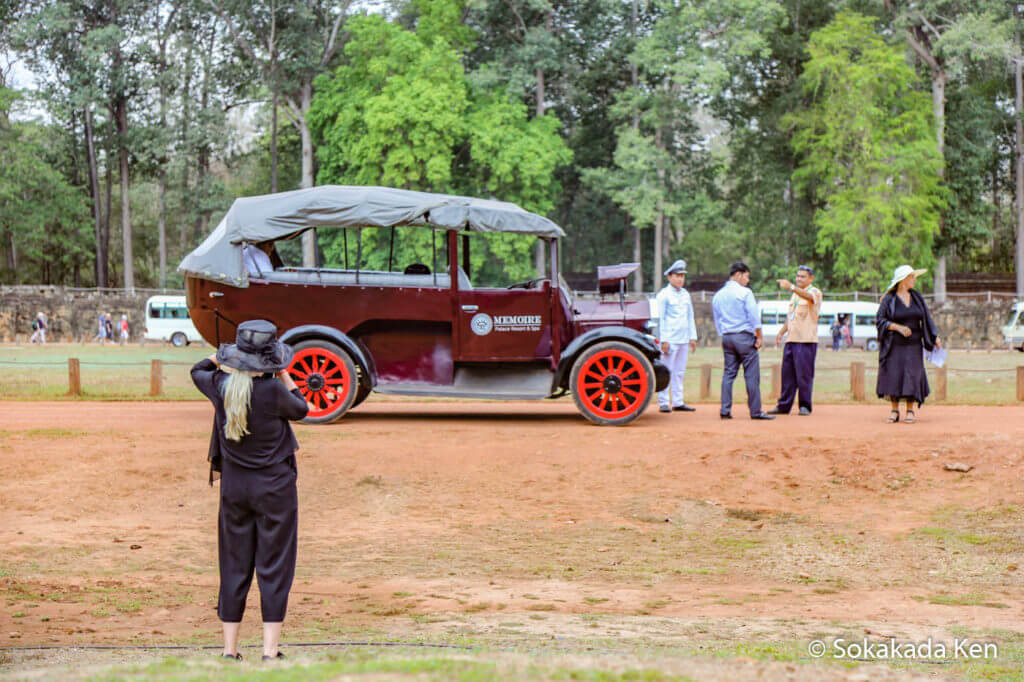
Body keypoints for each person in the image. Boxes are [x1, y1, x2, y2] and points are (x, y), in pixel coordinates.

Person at [190, 320, 310, 661]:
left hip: (235, 489)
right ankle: (270, 652)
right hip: (276, 490)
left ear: (239, 356)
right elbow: (302, 409)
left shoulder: (220, 385)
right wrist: (284, 373)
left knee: (233, 565)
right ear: (270, 358)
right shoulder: (274, 392)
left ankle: (229, 651)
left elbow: (197, 369)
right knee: (275, 565)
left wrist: (222, 356)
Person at [875, 265, 940, 424]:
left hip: (914, 344)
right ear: (903, 280)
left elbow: (926, 317)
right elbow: (880, 320)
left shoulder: (917, 297)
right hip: (894, 344)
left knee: (913, 374)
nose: (914, 280)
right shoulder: (889, 299)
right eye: (911, 277)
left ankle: (910, 410)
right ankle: (894, 410)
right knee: (894, 374)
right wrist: (897, 327)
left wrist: (935, 336)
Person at [711, 262, 774, 420]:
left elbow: (717, 318)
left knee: (728, 374)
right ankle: (755, 411)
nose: (747, 280)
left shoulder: (718, 295)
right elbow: (753, 316)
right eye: (746, 277)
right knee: (751, 375)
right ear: (738, 275)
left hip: (727, 337)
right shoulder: (745, 293)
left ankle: (725, 410)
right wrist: (759, 335)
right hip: (744, 337)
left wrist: (724, 334)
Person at [769, 265, 823, 416]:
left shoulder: (814, 292)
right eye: (797, 276)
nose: (799, 279)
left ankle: (805, 406)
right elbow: (791, 317)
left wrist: (791, 287)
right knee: (787, 375)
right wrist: (781, 332)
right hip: (792, 339)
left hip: (806, 340)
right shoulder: (795, 295)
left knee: (804, 375)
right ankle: (783, 406)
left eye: (803, 276)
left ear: (811, 278)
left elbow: (809, 298)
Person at [655, 259, 698, 413]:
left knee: (680, 372)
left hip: (683, 338)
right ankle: (664, 402)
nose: (680, 279)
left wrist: (692, 337)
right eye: (677, 276)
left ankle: (678, 401)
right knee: (667, 370)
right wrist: (663, 340)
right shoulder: (664, 295)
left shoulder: (685, 294)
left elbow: (690, 316)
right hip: (670, 339)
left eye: (682, 276)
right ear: (669, 277)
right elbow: (661, 319)